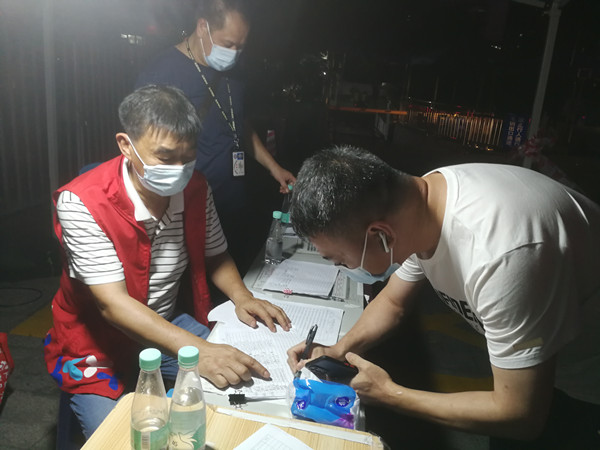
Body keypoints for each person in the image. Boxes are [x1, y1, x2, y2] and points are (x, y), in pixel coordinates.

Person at [287, 146, 600, 449]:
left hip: (585, 384)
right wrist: (337, 351)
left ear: (381, 235)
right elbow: (394, 302)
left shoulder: (501, 255)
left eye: (340, 260)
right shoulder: (420, 203)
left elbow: (521, 415)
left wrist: (389, 394)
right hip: (542, 360)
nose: (343, 269)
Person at [44, 85, 291, 439]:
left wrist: (242, 297)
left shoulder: (196, 188)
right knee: (126, 439)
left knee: (251, 377)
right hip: (96, 343)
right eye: (165, 157)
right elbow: (113, 305)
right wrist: (200, 351)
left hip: (165, 320)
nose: (179, 170)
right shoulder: (81, 202)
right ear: (126, 145)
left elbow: (216, 254)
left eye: (188, 157)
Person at [135, 0, 296, 274]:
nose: (234, 54)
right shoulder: (161, 74)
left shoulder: (235, 70)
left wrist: (274, 168)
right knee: (195, 284)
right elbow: (144, 148)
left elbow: (238, 123)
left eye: (241, 46)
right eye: (228, 44)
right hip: (187, 209)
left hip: (233, 203)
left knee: (236, 275)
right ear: (203, 27)